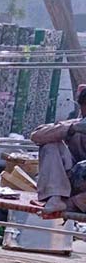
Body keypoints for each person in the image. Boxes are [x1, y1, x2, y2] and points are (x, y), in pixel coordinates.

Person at [29, 85, 86, 214]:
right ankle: (55, 197)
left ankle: (69, 204)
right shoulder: (76, 124)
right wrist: (71, 129)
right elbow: (36, 136)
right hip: (71, 183)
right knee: (50, 144)